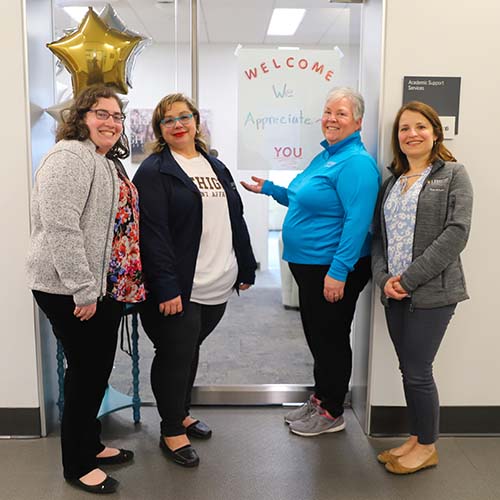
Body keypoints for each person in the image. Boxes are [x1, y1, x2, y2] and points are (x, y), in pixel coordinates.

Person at [27, 85, 146, 494]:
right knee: (86, 373)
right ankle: (76, 464)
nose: (111, 122)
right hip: (70, 288)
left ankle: (90, 444)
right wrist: (83, 290)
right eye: (101, 113)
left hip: (101, 285)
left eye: (116, 116)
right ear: (81, 117)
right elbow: (61, 227)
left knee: (95, 370)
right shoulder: (69, 157)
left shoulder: (102, 160)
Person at [241, 87, 380, 437]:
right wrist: (271, 189)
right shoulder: (328, 156)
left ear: (358, 122)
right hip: (311, 268)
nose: (332, 118)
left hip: (332, 268)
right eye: (328, 111)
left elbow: (357, 222)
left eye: (341, 113)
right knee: (319, 338)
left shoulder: (357, 164)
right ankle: (321, 399)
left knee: (330, 340)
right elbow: (304, 198)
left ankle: (333, 411)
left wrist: (338, 271)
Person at [133, 93, 257, 467]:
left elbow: (234, 217)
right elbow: (151, 235)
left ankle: (182, 412)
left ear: (196, 121)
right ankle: (171, 430)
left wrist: (246, 266)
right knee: (173, 354)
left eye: (184, 117)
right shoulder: (154, 171)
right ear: (159, 130)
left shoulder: (213, 165)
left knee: (191, 350)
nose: (178, 125)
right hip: (180, 288)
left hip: (217, 282)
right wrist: (166, 286)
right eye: (168, 121)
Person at [371, 101, 473, 474]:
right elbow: (378, 239)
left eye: (420, 127)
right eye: (403, 129)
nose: (411, 134)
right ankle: (416, 438)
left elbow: (456, 234)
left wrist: (409, 280)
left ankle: (427, 446)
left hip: (432, 292)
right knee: (408, 369)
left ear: (435, 132)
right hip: (394, 294)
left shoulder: (453, 175)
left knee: (418, 370)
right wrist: (385, 281)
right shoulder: (392, 182)